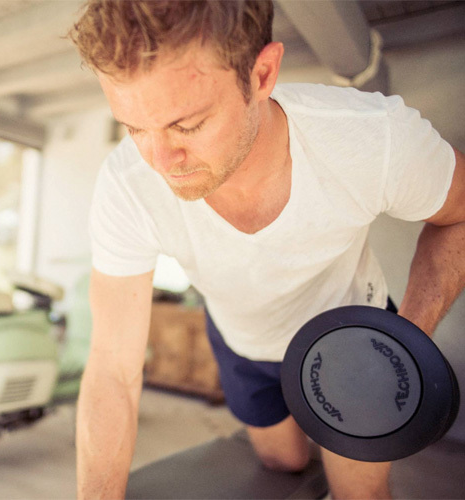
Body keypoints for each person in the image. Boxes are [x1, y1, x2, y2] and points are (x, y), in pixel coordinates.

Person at [67, 1, 465, 499]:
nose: (160, 161)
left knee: (359, 493)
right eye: (134, 128)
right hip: (240, 341)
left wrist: (399, 347)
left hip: (349, 332)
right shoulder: (127, 184)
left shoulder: (373, 136)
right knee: (285, 462)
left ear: (261, 74)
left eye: (185, 125)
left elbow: (459, 215)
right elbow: (111, 368)